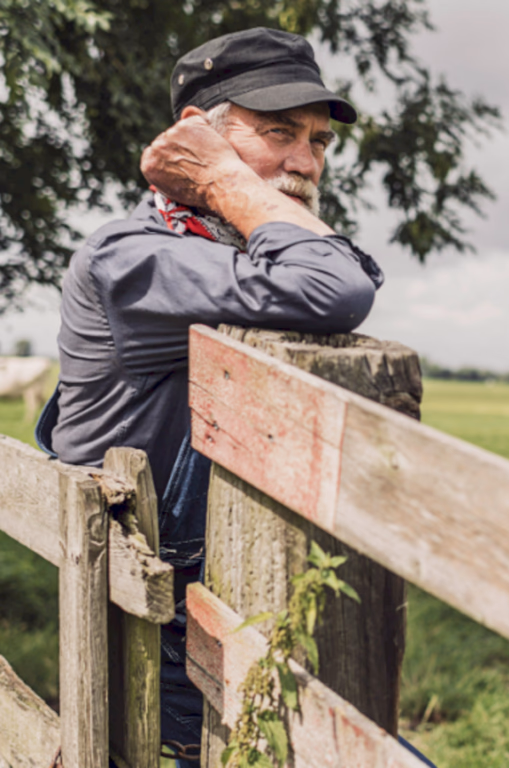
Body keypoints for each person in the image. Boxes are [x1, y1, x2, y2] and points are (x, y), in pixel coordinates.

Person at [35, 28, 432, 765]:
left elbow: (342, 273)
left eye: (317, 142)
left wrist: (240, 194)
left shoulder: (231, 254)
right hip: (170, 655)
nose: (305, 163)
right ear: (197, 136)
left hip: (257, 614)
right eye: (278, 132)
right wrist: (224, 181)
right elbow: (337, 284)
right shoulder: (136, 256)